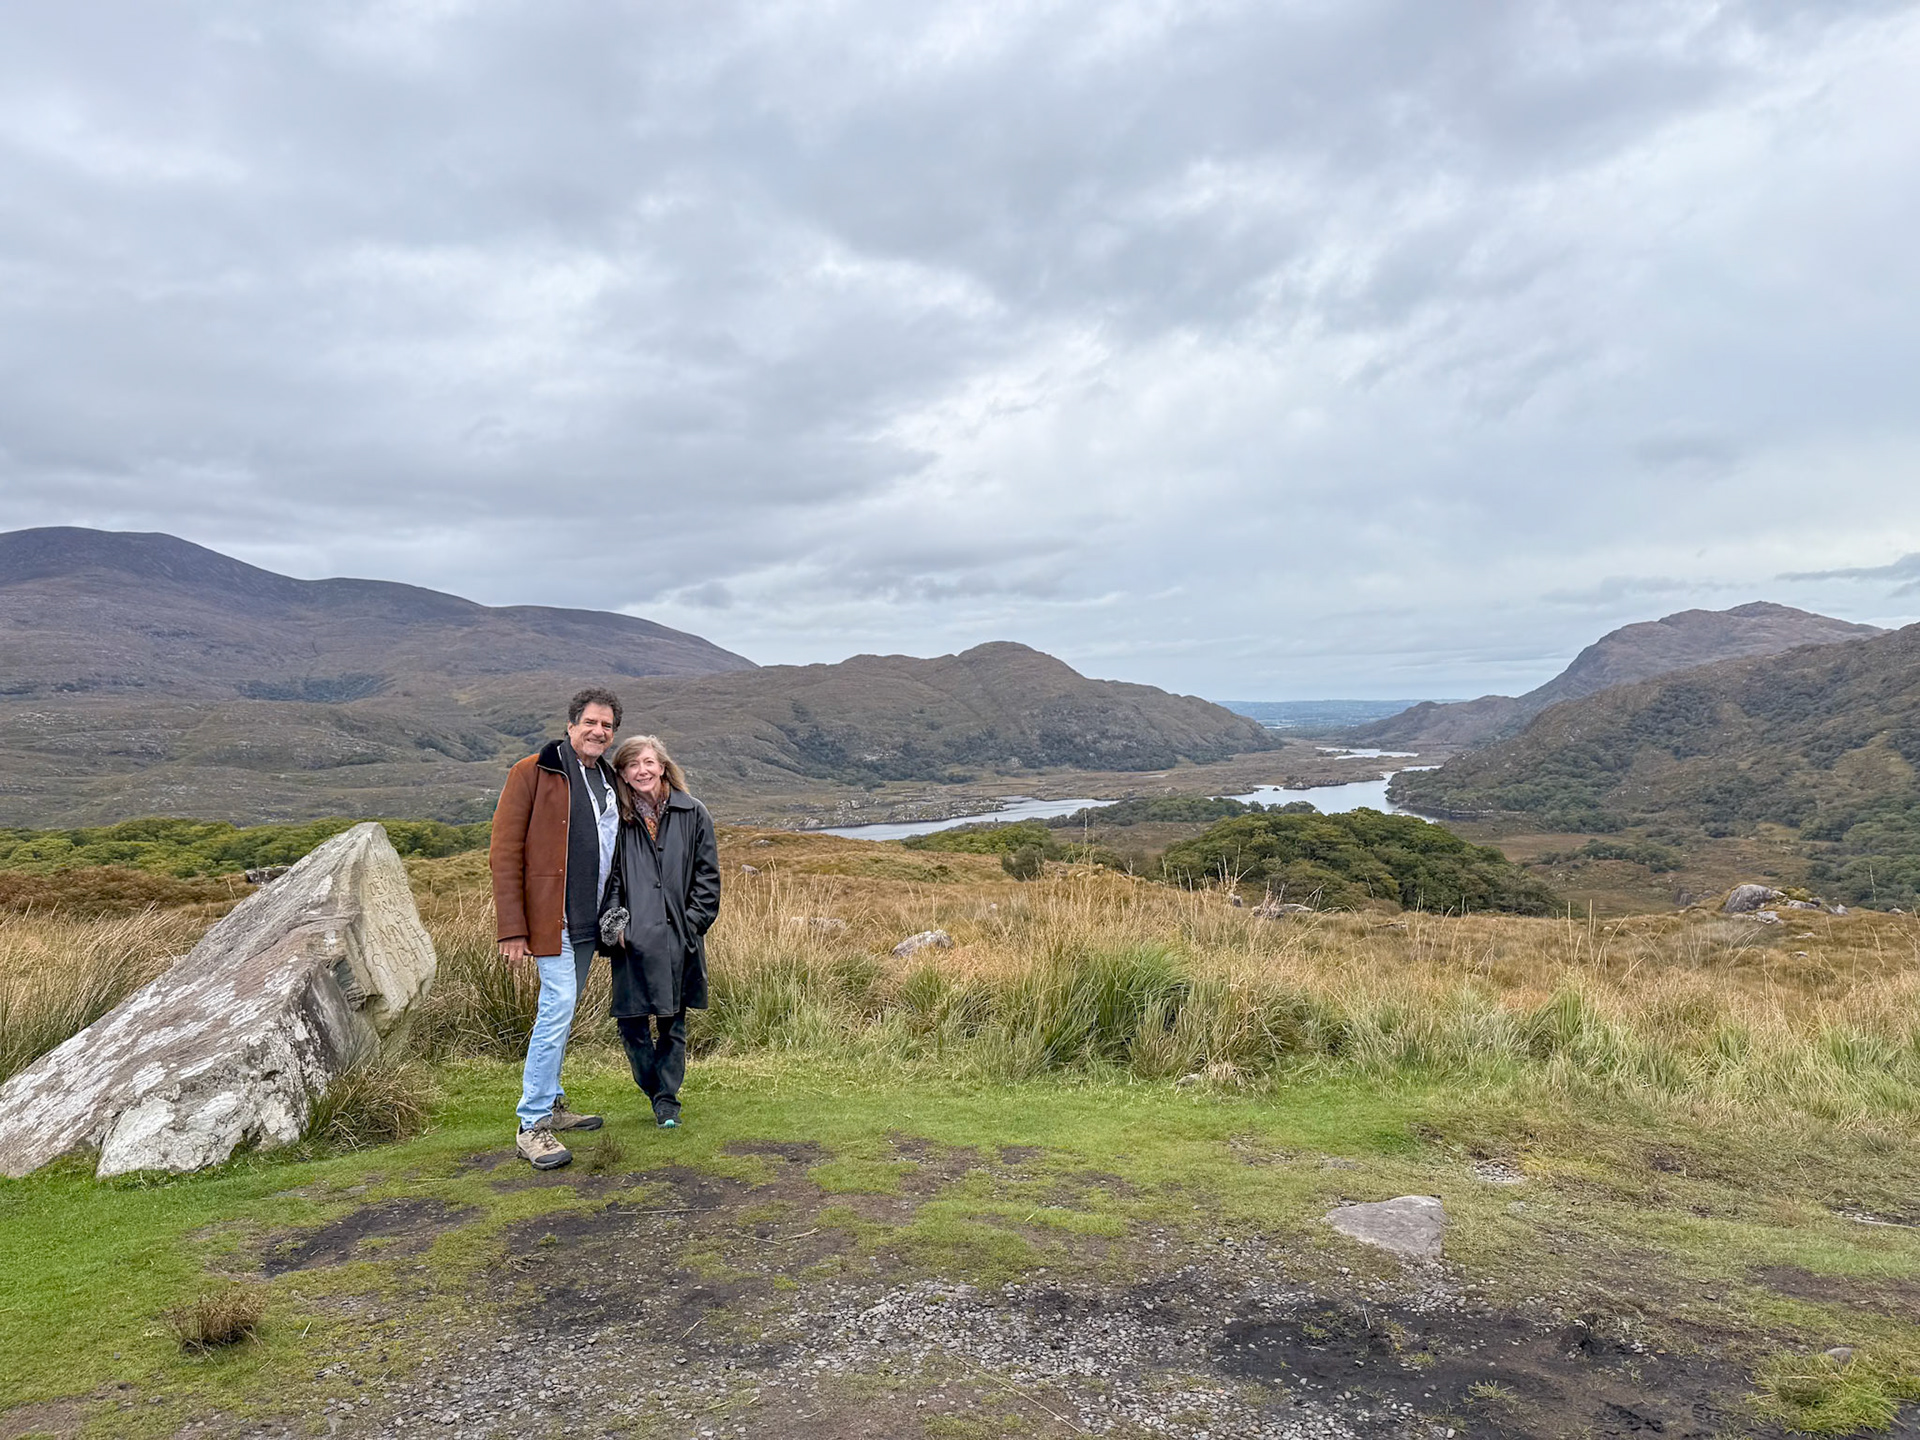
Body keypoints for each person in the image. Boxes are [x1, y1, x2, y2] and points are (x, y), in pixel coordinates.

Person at [489, 687, 623, 1170]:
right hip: (552, 920)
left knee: (563, 1013)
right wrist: (512, 928)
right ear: (571, 725)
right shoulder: (532, 772)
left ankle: (552, 1102)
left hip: (591, 922)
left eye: (607, 725)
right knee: (556, 1009)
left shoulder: (609, 779)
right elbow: (504, 854)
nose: (598, 731)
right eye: (590, 722)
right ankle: (532, 1125)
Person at [598, 734, 720, 1127]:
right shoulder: (616, 816)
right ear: (623, 773)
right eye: (632, 765)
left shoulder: (693, 812)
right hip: (632, 941)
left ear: (663, 766)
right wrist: (615, 926)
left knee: (673, 1022)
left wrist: (690, 924)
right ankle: (655, 1087)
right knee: (631, 1024)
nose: (642, 770)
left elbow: (707, 877)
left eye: (649, 762)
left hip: (677, 937)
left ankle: (667, 1101)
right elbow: (611, 878)